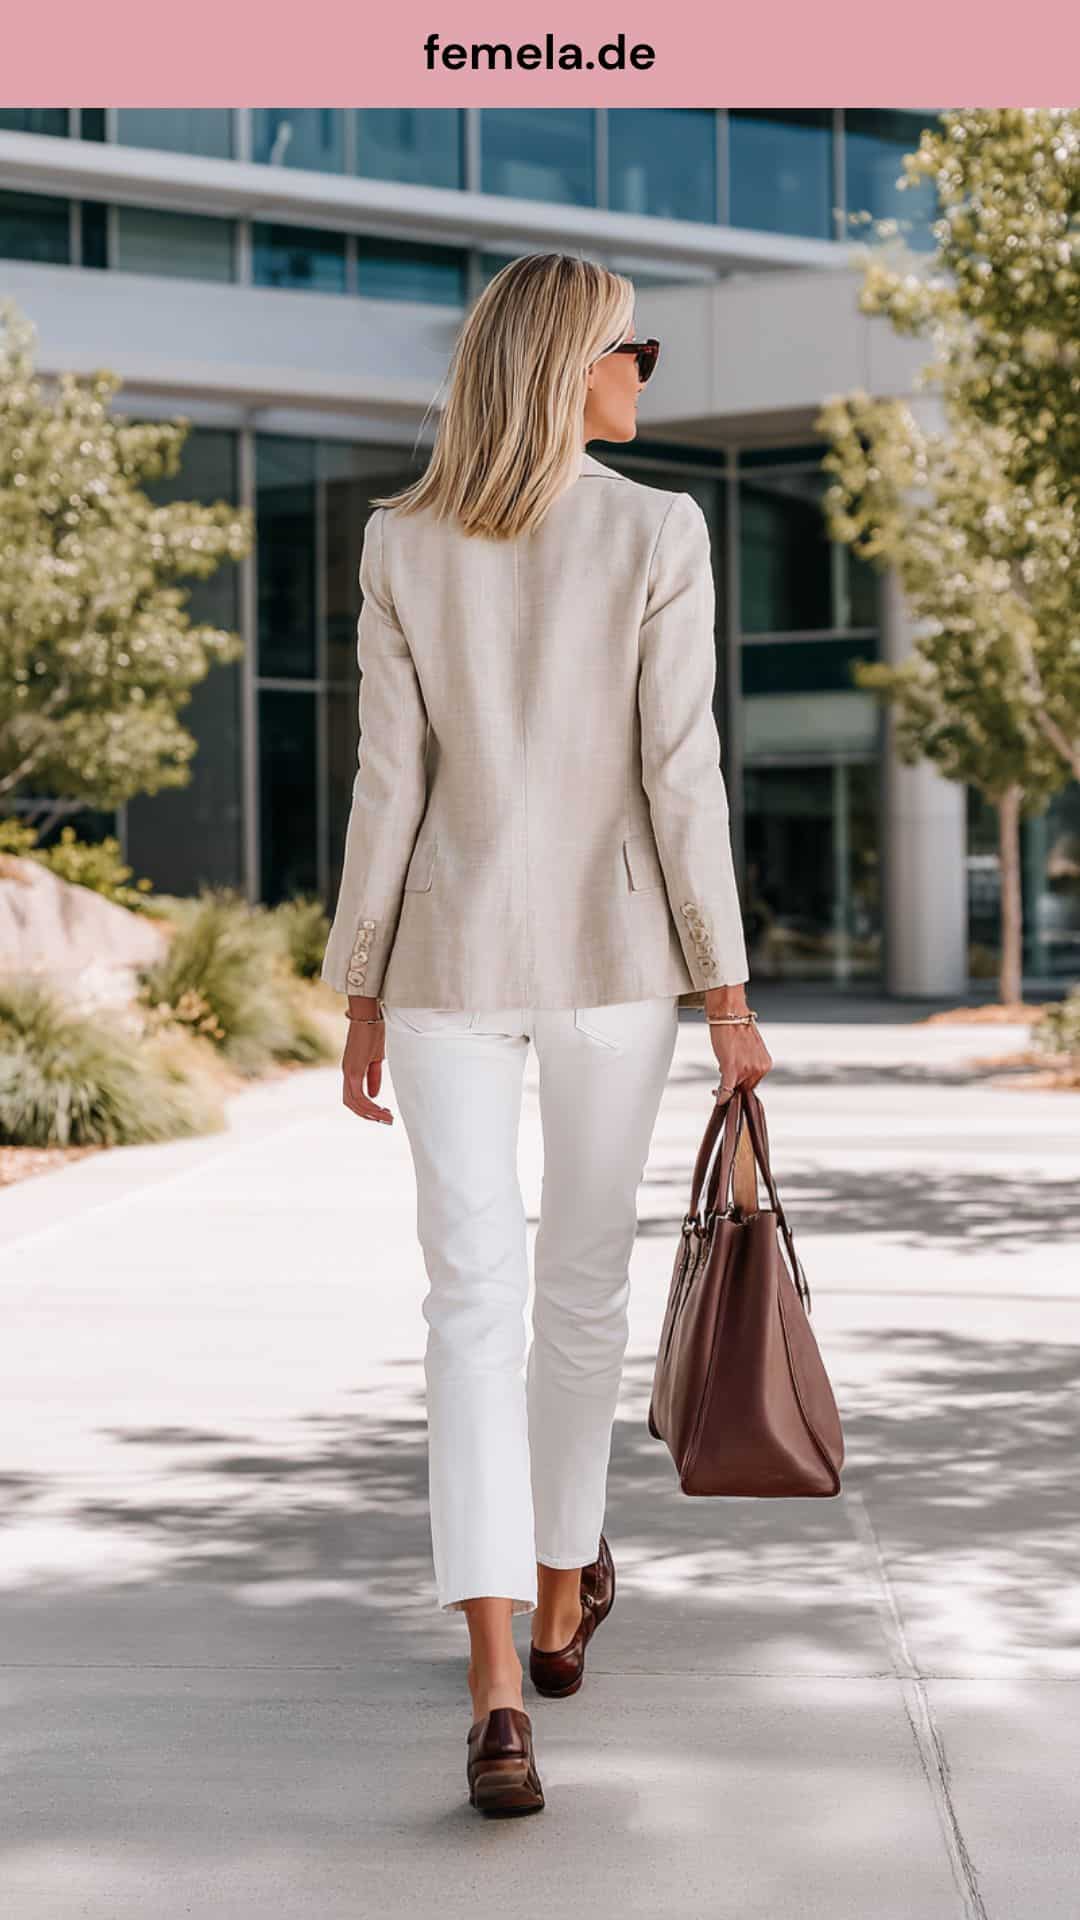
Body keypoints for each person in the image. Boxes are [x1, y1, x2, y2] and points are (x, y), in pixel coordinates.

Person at [321, 251, 772, 1817]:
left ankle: (503, 1683)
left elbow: (390, 785)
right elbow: (681, 775)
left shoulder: (400, 539)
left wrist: (360, 986)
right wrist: (726, 995)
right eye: (632, 346)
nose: (646, 369)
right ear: (573, 360)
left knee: (470, 1306)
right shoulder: (660, 529)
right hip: (617, 961)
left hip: (444, 957)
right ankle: (566, 1585)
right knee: (578, 1289)